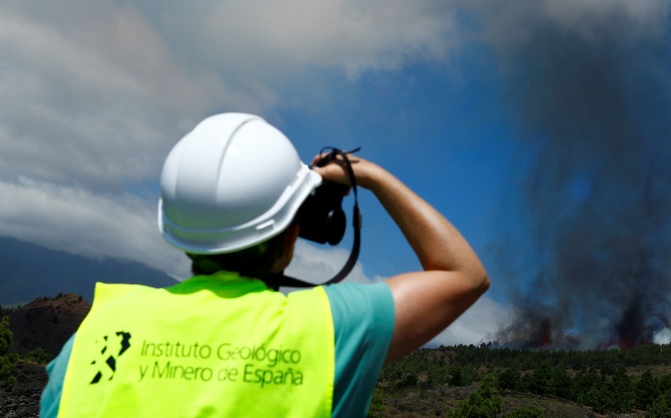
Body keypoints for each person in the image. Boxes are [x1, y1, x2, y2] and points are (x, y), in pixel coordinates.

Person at [40, 112, 489, 417]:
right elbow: (463, 275)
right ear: (293, 229)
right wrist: (368, 174)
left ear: (176, 226)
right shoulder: (327, 329)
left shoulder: (95, 333)